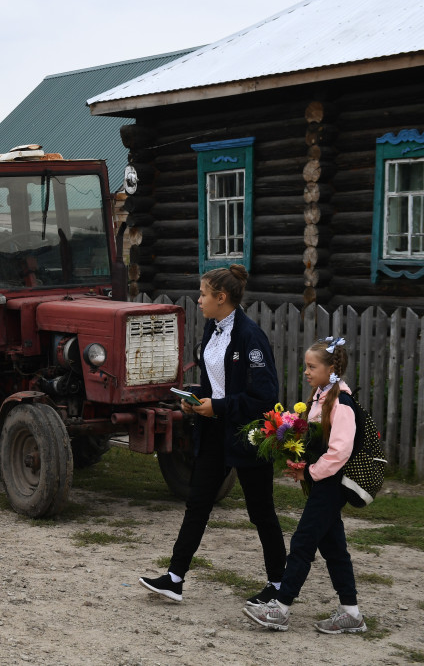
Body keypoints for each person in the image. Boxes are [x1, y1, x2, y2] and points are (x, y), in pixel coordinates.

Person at [139, 264, 286, 604]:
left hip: (247, 436)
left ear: (222, 298)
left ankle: (279, 586)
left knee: (260, 511)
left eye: (203, 294)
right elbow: (214, 383)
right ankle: (174, 579)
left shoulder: (251, 337)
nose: (199, 300)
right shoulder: (211, 328)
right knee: (197, 503)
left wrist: (217, 406)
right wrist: (195, 401)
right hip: (213, 433)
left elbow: (265, 397)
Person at [244, 337, 367, 633]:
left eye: (312, 367)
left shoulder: (342, 403)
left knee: (302, 542)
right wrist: (301, 462)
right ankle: (351, 613)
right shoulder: (321, 397)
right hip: (323, 482)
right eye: (306, 366)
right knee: (333, 546)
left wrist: (311, 472)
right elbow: (314, 440)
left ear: (331, 369)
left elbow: (339, 452)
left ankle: (281, 608)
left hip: (331, 485)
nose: (306, 372)